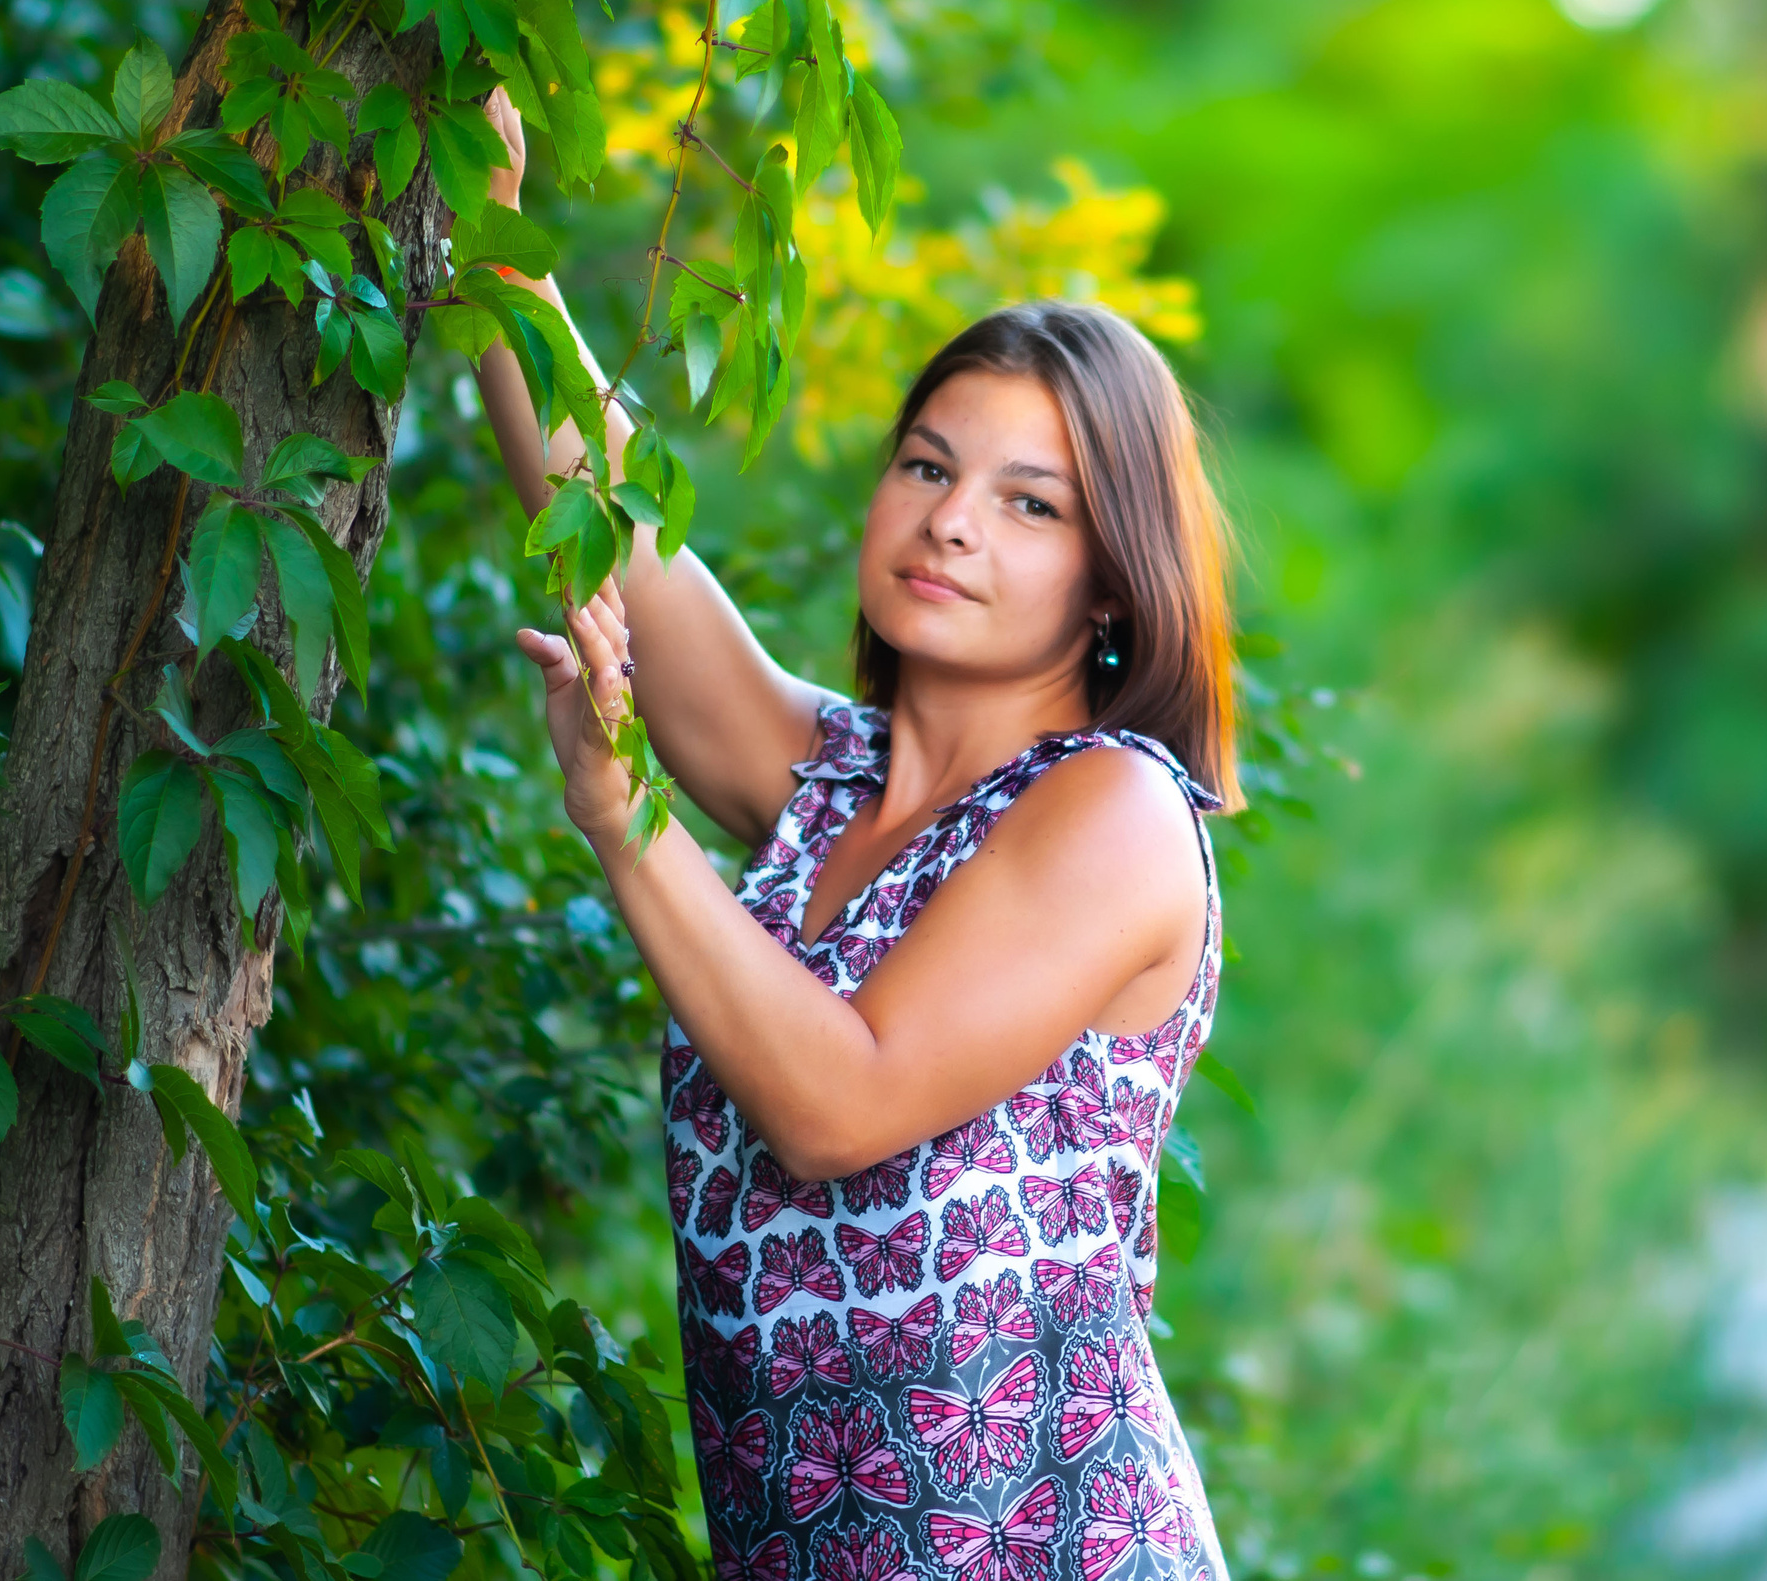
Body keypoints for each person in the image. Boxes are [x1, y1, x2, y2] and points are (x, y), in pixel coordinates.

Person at [471, 92, 1237, 1581]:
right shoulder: (831, 786)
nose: (954, 522)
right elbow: (610, 526)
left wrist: (629, 828)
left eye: (1033, 504)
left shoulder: (1113, 810)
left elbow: (842, 1098)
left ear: (1110, 584)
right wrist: (500, 250)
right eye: (930, 466)